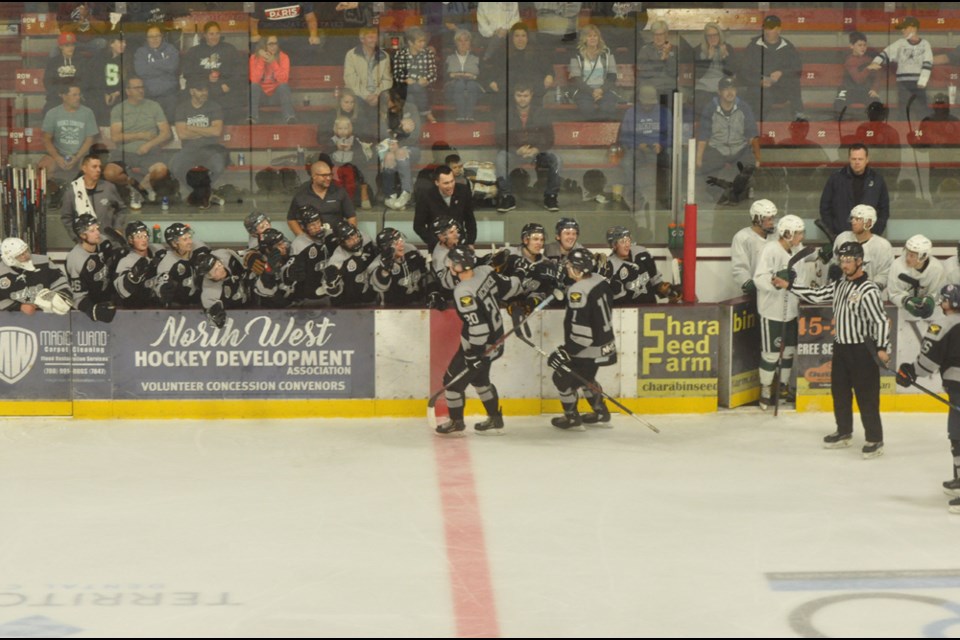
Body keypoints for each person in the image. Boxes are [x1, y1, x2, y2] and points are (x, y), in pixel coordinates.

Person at [775, 241, 891, 459]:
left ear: (859, 261)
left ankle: (875, 440)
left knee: (867, 397)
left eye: (848, 261)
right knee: (839, 393)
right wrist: (788, 286)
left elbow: (881, 321)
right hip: (841, 348)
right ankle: (844, 431)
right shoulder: (839, 284)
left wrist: (883, 347)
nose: (844, 265)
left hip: (863, 351)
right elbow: (816, 294)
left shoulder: (869, 289)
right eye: (842, 260)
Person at [435, 245, 523, 436]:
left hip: (479, 346)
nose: (449, 264)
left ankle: (456, 422)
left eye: (452, 262)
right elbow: (511, 287)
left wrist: (473, 354)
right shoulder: (486, 271)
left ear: (459, 266)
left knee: (451, 383)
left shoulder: (463, 291)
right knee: (481, 380)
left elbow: (478, 327)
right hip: (496, 343)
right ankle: (495, 418)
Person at [897, 284, 960, 513]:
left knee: (958, 433)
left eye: (943, 300)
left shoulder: (943, 325)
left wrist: (911, 372)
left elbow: (929, 360)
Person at [548, 247, 617, 430]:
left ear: (578, 269)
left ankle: (571, 417)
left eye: (570, 265)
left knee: (561, 378)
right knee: (586, 378)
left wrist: (566, 351)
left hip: (589, 349)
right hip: (606, 344)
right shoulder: (599, 281)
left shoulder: (578, 291)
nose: (567, 267)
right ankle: (600, 411)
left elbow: (582, 333)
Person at [753, 214, 811, 410]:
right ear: (787, 234)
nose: (801, 237)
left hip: (792, 311)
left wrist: (794, 285)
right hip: (772, 311)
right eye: (798, 233)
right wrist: (775, 281)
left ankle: (784, 385)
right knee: (771, 354)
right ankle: (766, 387)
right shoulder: (770, 249)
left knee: (788, 352)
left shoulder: (799, 252)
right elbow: (759, 278)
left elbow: (801, 280)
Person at [495, 83, 562, 213]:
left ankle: (551, 196)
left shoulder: (541, 113)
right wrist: (516, 150)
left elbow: (549, 138)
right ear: (514, 96)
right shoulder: (505, 113)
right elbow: (499, 138)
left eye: (525, 95)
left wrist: (536, 149)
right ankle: (506, 197)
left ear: (531, 96)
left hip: (538, 153)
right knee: (500, 159)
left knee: (557, 160)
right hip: (513, 152)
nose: (522, 99)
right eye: (519, 95)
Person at [696, 76, 760, 203]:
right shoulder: (710, 109)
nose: (730, 93)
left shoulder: (744, 107)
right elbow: (703, 136)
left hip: (739, 148)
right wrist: (698, 158)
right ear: (719, 92)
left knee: (748, 164)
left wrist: (757, 158)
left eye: (733, 89)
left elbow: (753, 135)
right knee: (708, 164)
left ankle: (743, 190)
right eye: (726, 89)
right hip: (717, 148)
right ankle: (715, 193)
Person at [109, 75, 172, 198]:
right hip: (124, 152)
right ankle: (133, 184)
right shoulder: (118, 109)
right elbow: (115, 137)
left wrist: (149, 145)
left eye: (142, 87)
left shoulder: (154, 106)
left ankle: (140, 189)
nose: (141, 90)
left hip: (150, 152)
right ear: (128, 91)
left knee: (161, 171)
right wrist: (140, 135)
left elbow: (166, 133)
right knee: (110, 173)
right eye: (136, 87)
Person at [737, 14, 804, 120]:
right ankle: (758, 125)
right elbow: (743, 72)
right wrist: (759, 81)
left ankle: (799, 114)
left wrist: (781, 73)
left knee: (794, 82)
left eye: (771, 28)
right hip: (758, 88)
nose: (767, 31)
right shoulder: (753, 46)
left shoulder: (788, 47)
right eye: (766, 28)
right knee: (760, 95)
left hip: (780, 89)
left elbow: (797, 70)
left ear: (779, 30)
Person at [616, 85, 672, 211]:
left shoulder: (664, 113)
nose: (647, 106)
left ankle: (665, 198)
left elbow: (672, 135)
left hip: (658, 149)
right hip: (638, 150)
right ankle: (637, 196)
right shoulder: (631, 113)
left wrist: (662, 144)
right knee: (626, 163)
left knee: (670, 163)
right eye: (645, 104)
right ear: (639, 101)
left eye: (650, 104)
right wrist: (637, 144)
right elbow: (624, 137)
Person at [170, 76, 227, 201]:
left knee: (218, 166)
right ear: (192, 91)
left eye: (206, 90)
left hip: (210, 149)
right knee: (175, 167)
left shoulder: (214, 106)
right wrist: (206, 131)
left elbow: (216, 131)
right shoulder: (182, 108)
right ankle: (198, 192)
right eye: (200, 90)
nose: (204, 93)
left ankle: (199, 193)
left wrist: (191, 127)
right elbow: (182, 134)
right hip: (189, 149)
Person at [819, 143, 890, 237]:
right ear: (849, 159)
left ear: (867, 159)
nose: (857, 162)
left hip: (868, 236)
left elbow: (884, 209)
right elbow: (825, 207)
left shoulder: (877, 180)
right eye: (854, 159)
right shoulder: (836, 179)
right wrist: (834, 230)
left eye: (860, 159)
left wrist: (874, 232)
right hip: (842, 235)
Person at [868, 16, 932, 120]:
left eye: (904, 28)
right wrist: (876, 61)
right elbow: (886, 53)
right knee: (903, 108)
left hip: (919, 83)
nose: (902, 30)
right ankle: (903, 128)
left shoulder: (925, 44)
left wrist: (923, 80)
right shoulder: (900, 43)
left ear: (913, 28)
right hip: (903, 83)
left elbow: (928, 63)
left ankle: (924, 129)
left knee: (922, 109)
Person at [182, 21, 245, 125]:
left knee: (234, 101)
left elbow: (239, 71)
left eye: (217, 33)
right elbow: (188, 73)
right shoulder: (194, 51)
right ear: (205, 35)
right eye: (211, 34)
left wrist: (229, 84)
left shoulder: (229, 49)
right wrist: (206, 78)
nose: (215, 37)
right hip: (202, 88)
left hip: (224, 88)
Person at [603, 226, 680, 306]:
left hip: (651, 308)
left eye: (628, 240)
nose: (627, 245)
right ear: (614, 245)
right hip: (630, 314)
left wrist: (668, 291)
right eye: (622, 242)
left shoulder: (641, 253)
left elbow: (654, 279)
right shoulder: (610, 267)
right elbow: (619, 301)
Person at [481, 22, 555, 104]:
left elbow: (548, 69)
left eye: (523, 35)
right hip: (509, 89)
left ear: (527, 37)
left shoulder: (537, 51)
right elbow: (494, 70)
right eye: (517, 36)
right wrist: (492, 81)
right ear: (512, 37)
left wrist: (549, 76)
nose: (520, 39)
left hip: (531, 88)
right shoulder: (503, 52)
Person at [59, 154, 127, 242]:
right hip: (85, 244)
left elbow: (121, 209)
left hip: (109, 241)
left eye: (100, 167)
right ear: (84, 168)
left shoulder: (109, 188)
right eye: (94, 167)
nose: (98, 170)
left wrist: (118, 228)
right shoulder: (72, 192)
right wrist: (76, 238)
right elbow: (66, 218)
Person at [64, 214, 119, 323]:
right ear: (82, 235)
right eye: (92, 230)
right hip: (91, 305)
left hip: (108, 297)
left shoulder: (102, 241)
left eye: (97, 228)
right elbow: (77, 296)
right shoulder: (76, 259)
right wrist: (92, 310)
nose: (98, 232)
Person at [826, 205, 893, 293]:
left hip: (870, 295)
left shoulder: (883, 246)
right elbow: (835, 262)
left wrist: (868, 289)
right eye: (852, 218)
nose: (853, 222)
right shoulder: (842, 238)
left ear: (869, 222)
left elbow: (885, 273)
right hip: (844, 293)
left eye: (858, 219)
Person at [39, 82, 99, 179]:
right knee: (43, 168)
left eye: (79, 94)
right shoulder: (52, 113)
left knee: (90, 169)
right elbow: (46, 139)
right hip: (59, 153)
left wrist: (77, 157)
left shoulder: (88, 113)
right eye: (74, 95)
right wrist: (57, 158)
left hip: (80, 155)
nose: (78, 97)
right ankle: (53, 193)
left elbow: (89, 140)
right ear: (63, 96)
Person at [0, 237, 72, 315]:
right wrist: (19, 307)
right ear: (9, 259)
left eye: (26, 251)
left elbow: (60, 281)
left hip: (49, 316)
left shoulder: (44, 262)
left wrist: (61, 296)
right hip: (15, 320)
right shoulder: (1, 272)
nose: (26, 256)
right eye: (20, 255)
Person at [286, 160, 356, 236]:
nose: (329, 178)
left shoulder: (340, 192)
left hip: (337, 239)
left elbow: (351, 217)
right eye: (324, 175)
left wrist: (348, 236)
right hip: (311, 240)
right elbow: (291, 219)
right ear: (314, 176)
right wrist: (302, 238)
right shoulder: (301, 195)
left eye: (330, 174)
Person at [378, 89, 422, 210]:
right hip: (389, 148)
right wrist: (401, 129)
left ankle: (406, 192)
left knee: (400, 152)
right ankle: (389, 196)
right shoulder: (383, 113)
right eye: (389, 107)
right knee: (389, 157)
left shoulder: (410, 108)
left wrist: (398, 140)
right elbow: (382, 134)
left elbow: (415, 134)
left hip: (411, 148)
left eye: (393, 106)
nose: (392, 109)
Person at [414, 165, 476, 249]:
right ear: (437, 182)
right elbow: (418, 226)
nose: (450, 186)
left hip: (460, 245)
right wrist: (436, 243)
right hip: (437, 247)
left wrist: (470, 242)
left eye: (452, 181)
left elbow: (470, 220)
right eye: (446, 183)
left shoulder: (463, 191)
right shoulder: (425, 197)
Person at [887, 234, 945, 321]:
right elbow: (893, 293)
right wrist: (905, 301)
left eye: (912, 255)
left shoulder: (937, 268)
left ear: (923, 256)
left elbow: (937, 294)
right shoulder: (897, 266)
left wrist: (930, 301)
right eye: (907, 253)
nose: (907, 258)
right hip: (902, 315)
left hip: (931, 317)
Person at [568, 24, 619, 122]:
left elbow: (612, 75)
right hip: (584, 91)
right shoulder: (576, 55)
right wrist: (592, 92)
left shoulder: (607, 53)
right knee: (587, 110)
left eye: (595, 36)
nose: (593, 38)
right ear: (584, 38)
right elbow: (576, 78)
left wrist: (601, 90)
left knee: (608, 108)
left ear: (599, 38)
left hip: (604, 90)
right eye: (589, 36)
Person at [342, 27, 393, 125]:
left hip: (378, 94)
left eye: (376, 37)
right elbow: (350, 80)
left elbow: (387, 80)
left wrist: (376, 94)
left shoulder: (384, 56)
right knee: (360, 111)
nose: (374, 40)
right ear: (362, 39)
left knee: (387, 106)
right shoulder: (351, 55)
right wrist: (366, 96)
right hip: (358, 93)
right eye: (370, 37)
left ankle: (385, 135)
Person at [322, 219, 377, 307]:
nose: (355, 240)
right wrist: (332, 285)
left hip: (370, 300)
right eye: (349, 240)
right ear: (341, 243)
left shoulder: (365, 238)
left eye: (355, 236)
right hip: (348, 304)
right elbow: (332, 292)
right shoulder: (337, 259)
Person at [370, 228, 429, 307]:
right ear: (386, 248)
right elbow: (380, 287)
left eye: (400, 240)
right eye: (395, 243)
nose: (401, 244)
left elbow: (425, 273)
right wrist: (384, 271)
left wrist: (432, 291)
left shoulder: (411, 250)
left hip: (419, 304)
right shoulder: (376, 264)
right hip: (391, 309)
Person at [251, 1, 321, 67]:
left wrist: (313, 35)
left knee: (313, 48)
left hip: (295, 38)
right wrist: (255, 35)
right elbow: (253, 21)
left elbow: (310, 18)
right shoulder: (260, 3)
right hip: (272, 40)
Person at [154, 222, 208, 307]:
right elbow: (162, 293)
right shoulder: (167, 264)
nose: (190, 241)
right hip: (182, 307)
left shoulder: (199, 247)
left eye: (189, 237)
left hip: (204, 300)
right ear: (174, 243)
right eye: (185, 239)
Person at [392, 26, 439, 124]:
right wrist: (405, 79)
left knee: (414, 91)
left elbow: (433, 74)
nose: (423, 44)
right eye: (419, 41)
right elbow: (396, 74)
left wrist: (426, 79)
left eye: (424, 41)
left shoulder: (428, 53)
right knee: (411, 89)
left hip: (423, 87)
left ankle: (409, 117)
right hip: (405, 87)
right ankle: (426, 112)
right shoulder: (400, 54)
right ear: (410, 42)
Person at [731, 199, 777, 296]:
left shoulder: (777, 235)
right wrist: (748, 283)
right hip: (754, 293)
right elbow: (740, 268)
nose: (772, 222)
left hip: (776, 291)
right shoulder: (742, 237)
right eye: (769, 219)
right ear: (757, 219)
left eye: (773, 218)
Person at [113, 220, 164, 308]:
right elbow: (121, 292)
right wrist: (131, 278)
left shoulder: (157, 250)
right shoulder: (126, 261)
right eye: (139, 236)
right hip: (137, 309)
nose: (143, 240)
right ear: (130, 240)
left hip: (157, 305)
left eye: (145, 236)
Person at [133, 25, 180, 121]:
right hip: (149, 95)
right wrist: (164, 65)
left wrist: (150, 64)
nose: (154, 39)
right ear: (146, 38)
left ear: (162, 36)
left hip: (169, 95)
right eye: (151, 36)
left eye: (157, 36)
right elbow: (141, 70)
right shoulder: (141, 52)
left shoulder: (171, 49)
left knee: (169, 125)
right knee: (149, 126)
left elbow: (172, 66)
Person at [195, 249, 249, 328]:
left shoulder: (224, 254)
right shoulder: (210, 294)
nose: (221, 267)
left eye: (219, 264)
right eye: (216, 270)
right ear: (209, 276)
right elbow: (214, 322)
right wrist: (216, 319)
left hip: (250, 292)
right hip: (238, 313)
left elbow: (244, 261)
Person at [85, 32, 130, 126]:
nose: (124, 44)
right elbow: (94, 81)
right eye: (121, 42)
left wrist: (117, 93)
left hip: (119, 95)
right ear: (111, 44)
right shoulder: (99, 59)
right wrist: (104, 94)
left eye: (125, 42)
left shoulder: (127, 60)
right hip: (101, 94)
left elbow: (128, 82)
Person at [249, 36, 296, 124]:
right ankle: (253, 117)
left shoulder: (284, 57)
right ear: (264, 46)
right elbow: (254, 79)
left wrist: (273, 63)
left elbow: (283, 80)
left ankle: (289, 117)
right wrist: (262, 60)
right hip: (261, 96)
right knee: (254, 86)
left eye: (275, 43)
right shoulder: (254, 58)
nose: (274, 46)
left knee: (283, 86)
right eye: (270, 44)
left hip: (276, 96)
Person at [693, 22, 737, 114]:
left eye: (715, 35)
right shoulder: (698, 50)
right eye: (709, 36)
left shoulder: (728, 48)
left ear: (720, 36)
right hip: (703, 88)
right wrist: (709, 58)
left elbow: (732, 72)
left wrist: (724, 57)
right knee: (704, 104)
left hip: (723, 88)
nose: (713, 38)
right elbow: (698, 75)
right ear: (705, 38)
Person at [834, 31, 881, 117]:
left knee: (877, 105)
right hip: (848, 90)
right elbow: (858, 79)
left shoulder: (869, 60)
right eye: (859, 45)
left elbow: (877, 77)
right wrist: (868, 68)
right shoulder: (849, 60)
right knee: (839, 105)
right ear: (852, 46)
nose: (863, 48)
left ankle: (874, 129)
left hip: (864, 90)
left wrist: (875, 89)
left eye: (864, 45)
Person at [636, 20, 678, 106]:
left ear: (666, 35)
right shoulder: (645, 50)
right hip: (650, 86)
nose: (658, 37)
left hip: (669, 87)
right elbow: (644, 72)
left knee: (673, 96)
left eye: (661, 34)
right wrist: (661, 60)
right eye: (655, 34)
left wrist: (667, 56)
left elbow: (673, 72)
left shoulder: (674, 49)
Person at [42, 32, 85, 116]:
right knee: (48, 110)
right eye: (67, 45)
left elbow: (84, 80)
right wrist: (62, 93)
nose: (71, 48)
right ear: (61, 47)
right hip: (58, 96)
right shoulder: (53, 62)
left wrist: (73, 93)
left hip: (76, 96)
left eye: (72, 45)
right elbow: (48, 81)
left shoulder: (81, 61)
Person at [444, 30, 482, 121]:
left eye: (466, 40)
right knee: (459, 84)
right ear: (456, 43)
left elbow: (484, 75)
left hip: (473, 85)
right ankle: (460, 116)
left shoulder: (476, 57)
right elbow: (442, 75)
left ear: (470, 43)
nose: (463, 43)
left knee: (471, 85)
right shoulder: (449, 57)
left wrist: (473, 77)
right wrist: (452, 75)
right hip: (453, 86)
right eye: (460, 41)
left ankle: (469, 116)